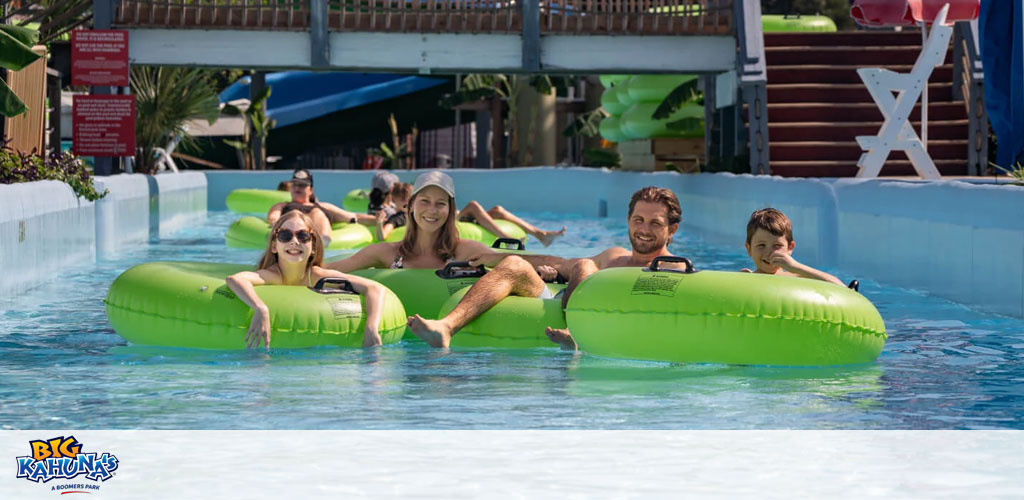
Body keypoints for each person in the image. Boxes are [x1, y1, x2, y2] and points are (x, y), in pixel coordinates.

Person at [407, 186, 683, 350]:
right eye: (638, 220)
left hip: (597, 323)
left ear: (672, 230)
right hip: (562, 305)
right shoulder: (615, 256)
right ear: (628, 220)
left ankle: (577, 335)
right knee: (515, 263)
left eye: (655, 223)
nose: (643, 230)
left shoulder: (673, 271)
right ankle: (446, 327)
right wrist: (495, 256)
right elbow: (564, 265)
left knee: (586, 264)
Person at [226, 210, 388, 349]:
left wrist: (371, 326)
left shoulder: (316, 275)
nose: (294, 241)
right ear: (274, 246)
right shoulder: (273, 275)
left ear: (313, 247)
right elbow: (236, 279)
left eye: (303, 236)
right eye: (285, 235)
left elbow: (375, 288)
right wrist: (260, 308)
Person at [326, 171, 501, 272]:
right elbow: (327, 270)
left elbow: (520, 266)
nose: (432, 210)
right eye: (424, 201)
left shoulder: (466, 251)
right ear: (410, 206)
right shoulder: (387, 253)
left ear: (449, 210)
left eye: (440, 203)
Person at [741, 208, 843, 286]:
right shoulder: (745, 277)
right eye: (761, 245)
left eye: (777, 246)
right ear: (748, 248)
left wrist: (796, 267)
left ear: (790, 248)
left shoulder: (797, 277)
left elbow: (843, 289)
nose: (768, 252)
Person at [457, 200, 566, 247]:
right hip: (453, 221)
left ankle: (540, 235)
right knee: (473, 205)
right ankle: (508, 239)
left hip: (462, 217)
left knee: (498, 210)